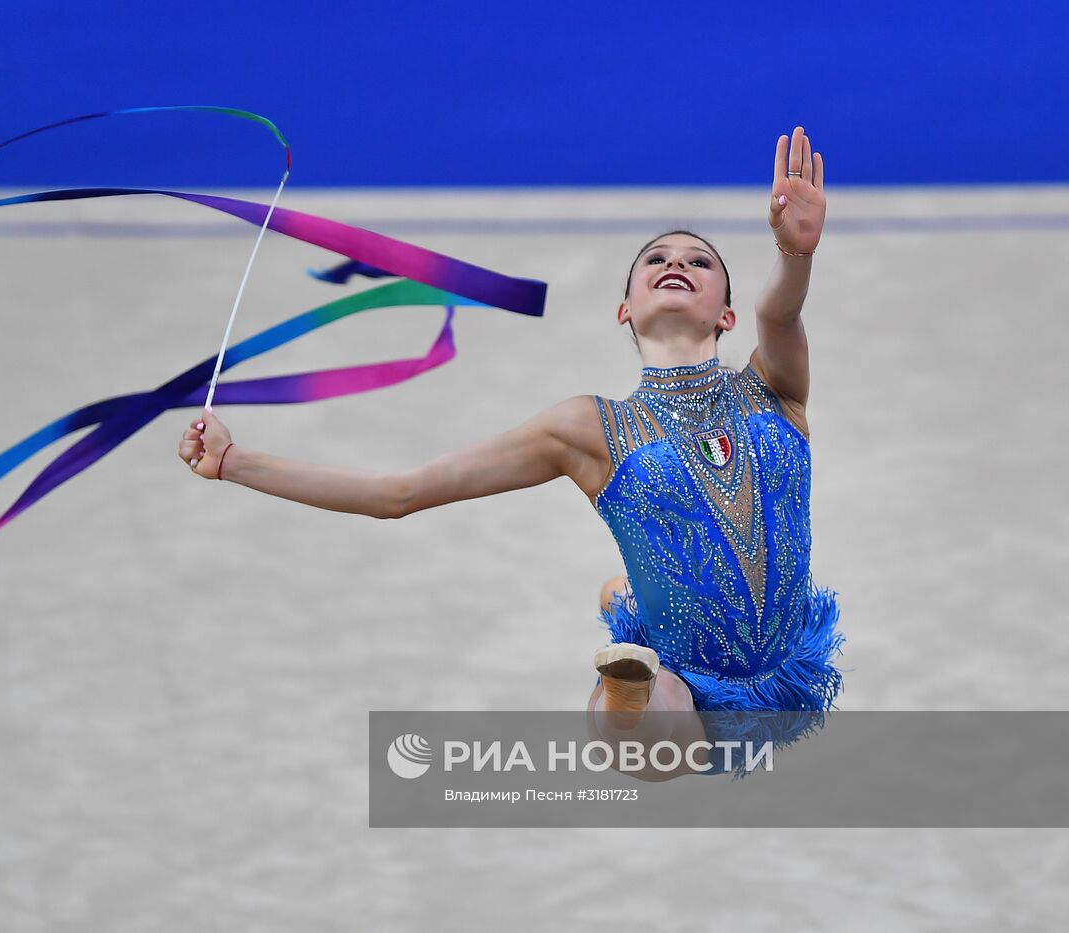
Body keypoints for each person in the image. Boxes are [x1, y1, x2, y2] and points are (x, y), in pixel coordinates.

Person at [178, 126, 843, 779]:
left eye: (699, 261)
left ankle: (623, 613)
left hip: (787, 671)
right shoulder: (590, 428)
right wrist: (234, 462)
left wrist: (796, 255)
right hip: (689, 690)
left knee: (632, 631)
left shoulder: (772, 391)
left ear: (725, 315)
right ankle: (628, 686)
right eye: (656, 260)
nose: (676, 263)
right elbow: (399, 495)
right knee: (646, 736)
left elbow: (779, 315)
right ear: (624, 311)